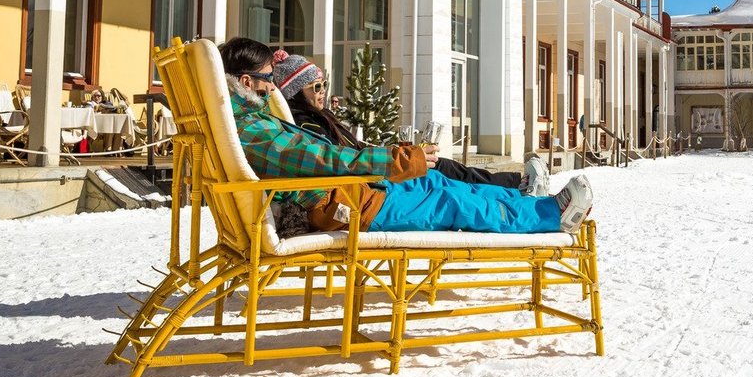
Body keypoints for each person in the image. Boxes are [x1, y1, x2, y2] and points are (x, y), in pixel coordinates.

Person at [218, 38, 592, 235]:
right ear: (247, 82)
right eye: (269, 79)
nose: (273, 90)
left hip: (352, 192)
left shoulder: (253, 121)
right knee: (449, 202)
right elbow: (327, 160)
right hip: (341, 206)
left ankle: (529, 200)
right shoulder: (255, 132)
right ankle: (547, 215)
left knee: (439, 183)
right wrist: (396, 161)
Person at [270, 49, 550, 196]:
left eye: (323, 85)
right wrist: (397, 159)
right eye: (314, 88)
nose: (322, 93)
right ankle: (518, 187)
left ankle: (516, 184)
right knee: (447, 180)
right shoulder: (308, 126)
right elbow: (341, 161)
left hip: (379, 172)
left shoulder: (318, 119)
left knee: (448, 169)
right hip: (373, 183)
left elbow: (351, 150)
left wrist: (397, 150)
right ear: (295, 93)